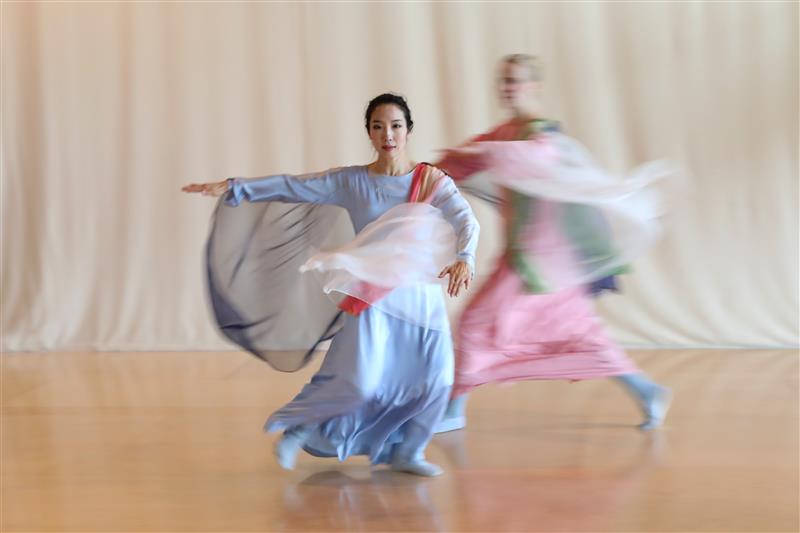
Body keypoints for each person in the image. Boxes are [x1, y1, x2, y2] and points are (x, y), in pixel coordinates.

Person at [183, 93, 479, 476]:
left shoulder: (432, 181)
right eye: (378, 126)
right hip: (371, 297)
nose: (387, 134)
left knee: (436, 381)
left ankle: (408, 452)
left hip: (421, 300)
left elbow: (465, 220)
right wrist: (235, 187)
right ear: (369, 133)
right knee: (357, 383)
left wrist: (465, 257)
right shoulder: (351, 181)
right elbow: (293, 185)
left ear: (408, 130)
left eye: (395, 126)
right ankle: (299, 430)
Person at [434, 54, 671, 433]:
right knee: (578, 332)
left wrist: (482, 153)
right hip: (531, 257)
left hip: (541, 259)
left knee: (475, 323)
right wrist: (430, 169)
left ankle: (454, 409)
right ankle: (646, 390)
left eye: (515, 80)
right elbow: (466, 160)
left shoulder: (543, 134)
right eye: (504, 80)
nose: (508, 88)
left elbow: (531, 157)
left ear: (534, 86)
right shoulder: (505, 132)